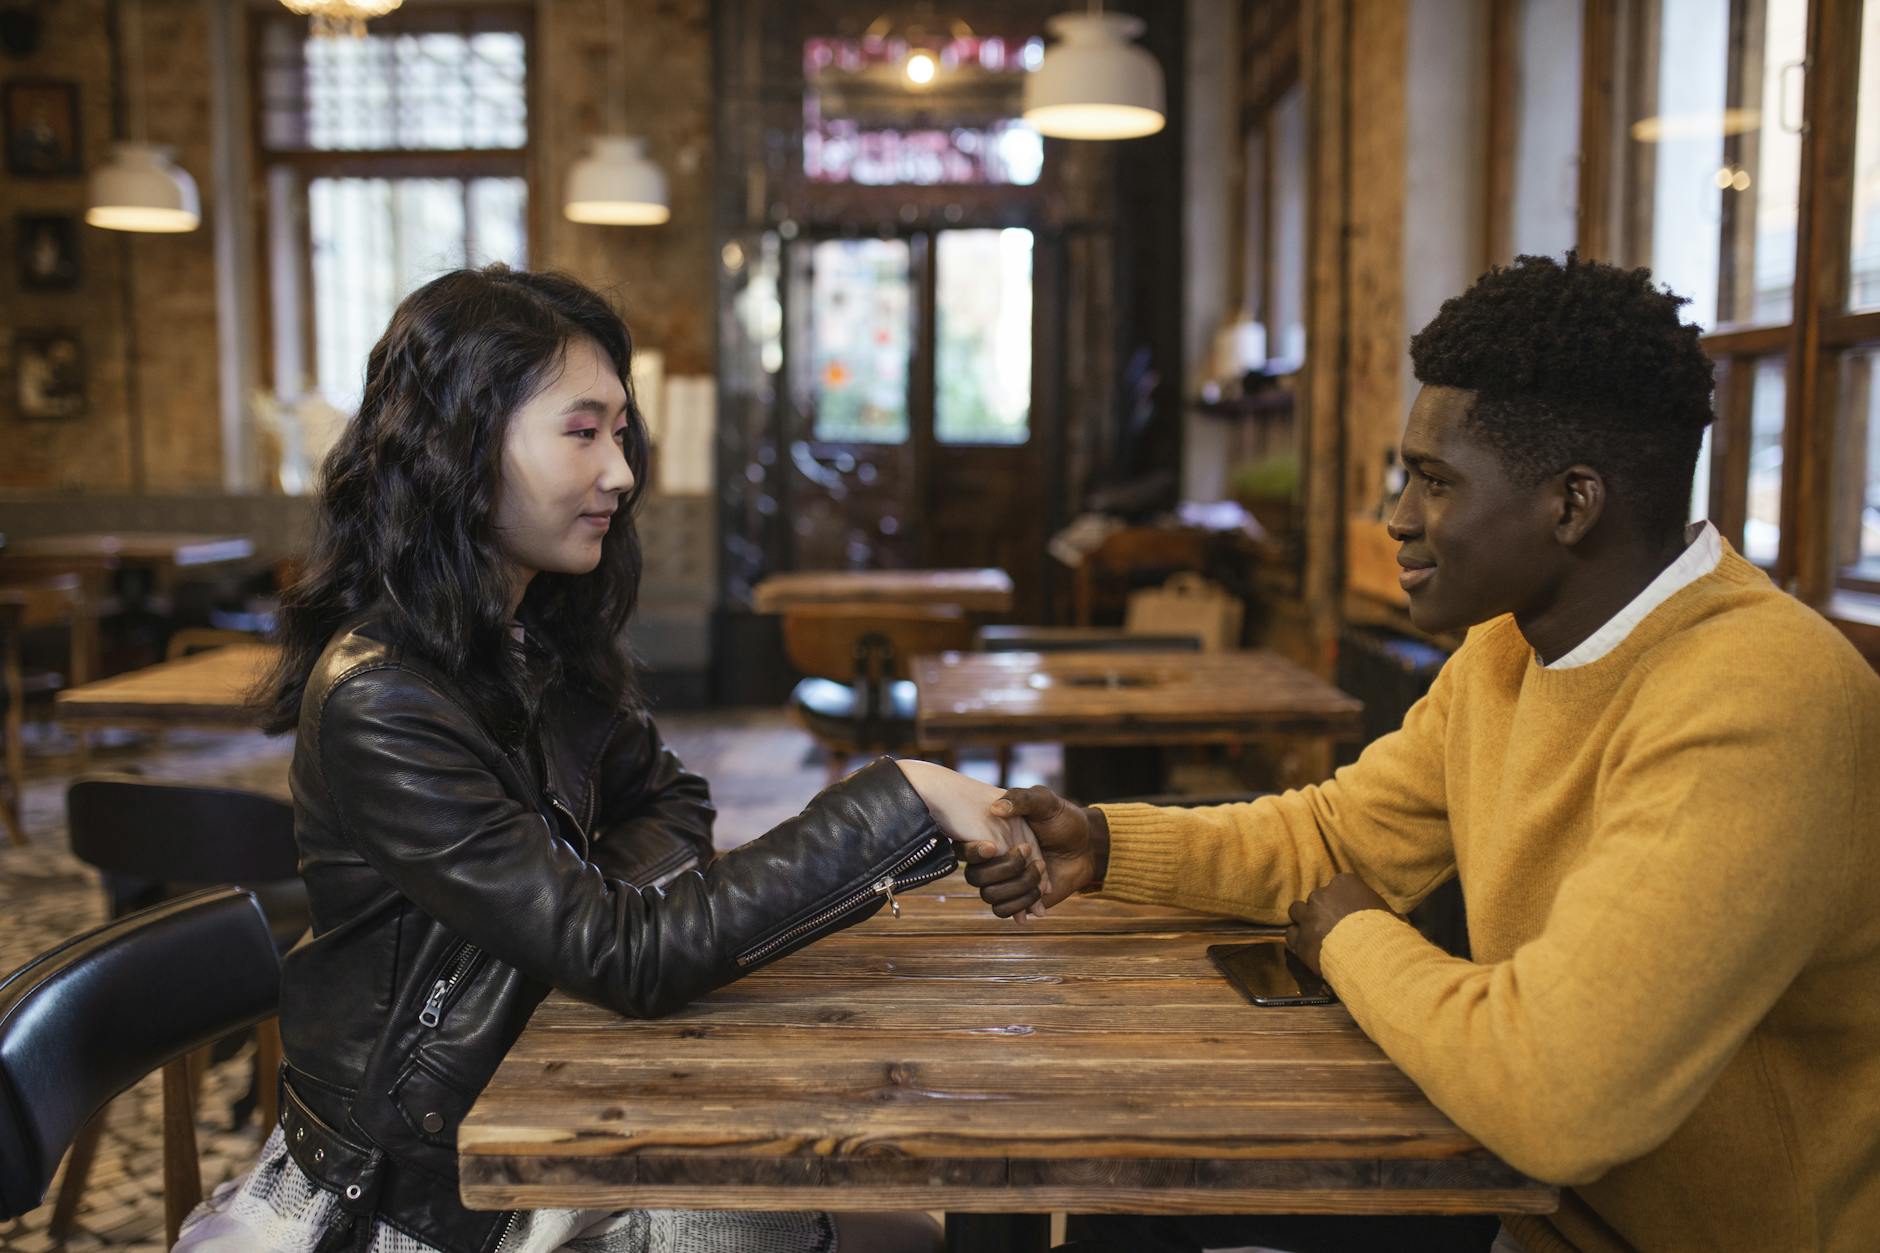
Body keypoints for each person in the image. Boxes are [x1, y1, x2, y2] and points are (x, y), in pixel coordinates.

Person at [947, 254, 1880, 1253]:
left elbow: (1554, 1093)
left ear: (1571, 504)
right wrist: (1103, 843)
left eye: (1432, 481)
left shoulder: (1760, 699)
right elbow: (1336, 832)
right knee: (1108, 1193)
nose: (1396, 516)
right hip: (1523, 1204)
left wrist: (1350, 936)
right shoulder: (1511, 644)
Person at [174, 265, 1019, 1253]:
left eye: (618, 431)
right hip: (428, 1194)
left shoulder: (530, 635)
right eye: (581, 431)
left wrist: (594, 913)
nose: (619, 470)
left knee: (908, 1224)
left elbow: (669, 797)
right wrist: (903, 793)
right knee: (898, 1235)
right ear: (456, 448)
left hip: (535, 1100)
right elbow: (635, 958)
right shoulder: (382, 695)